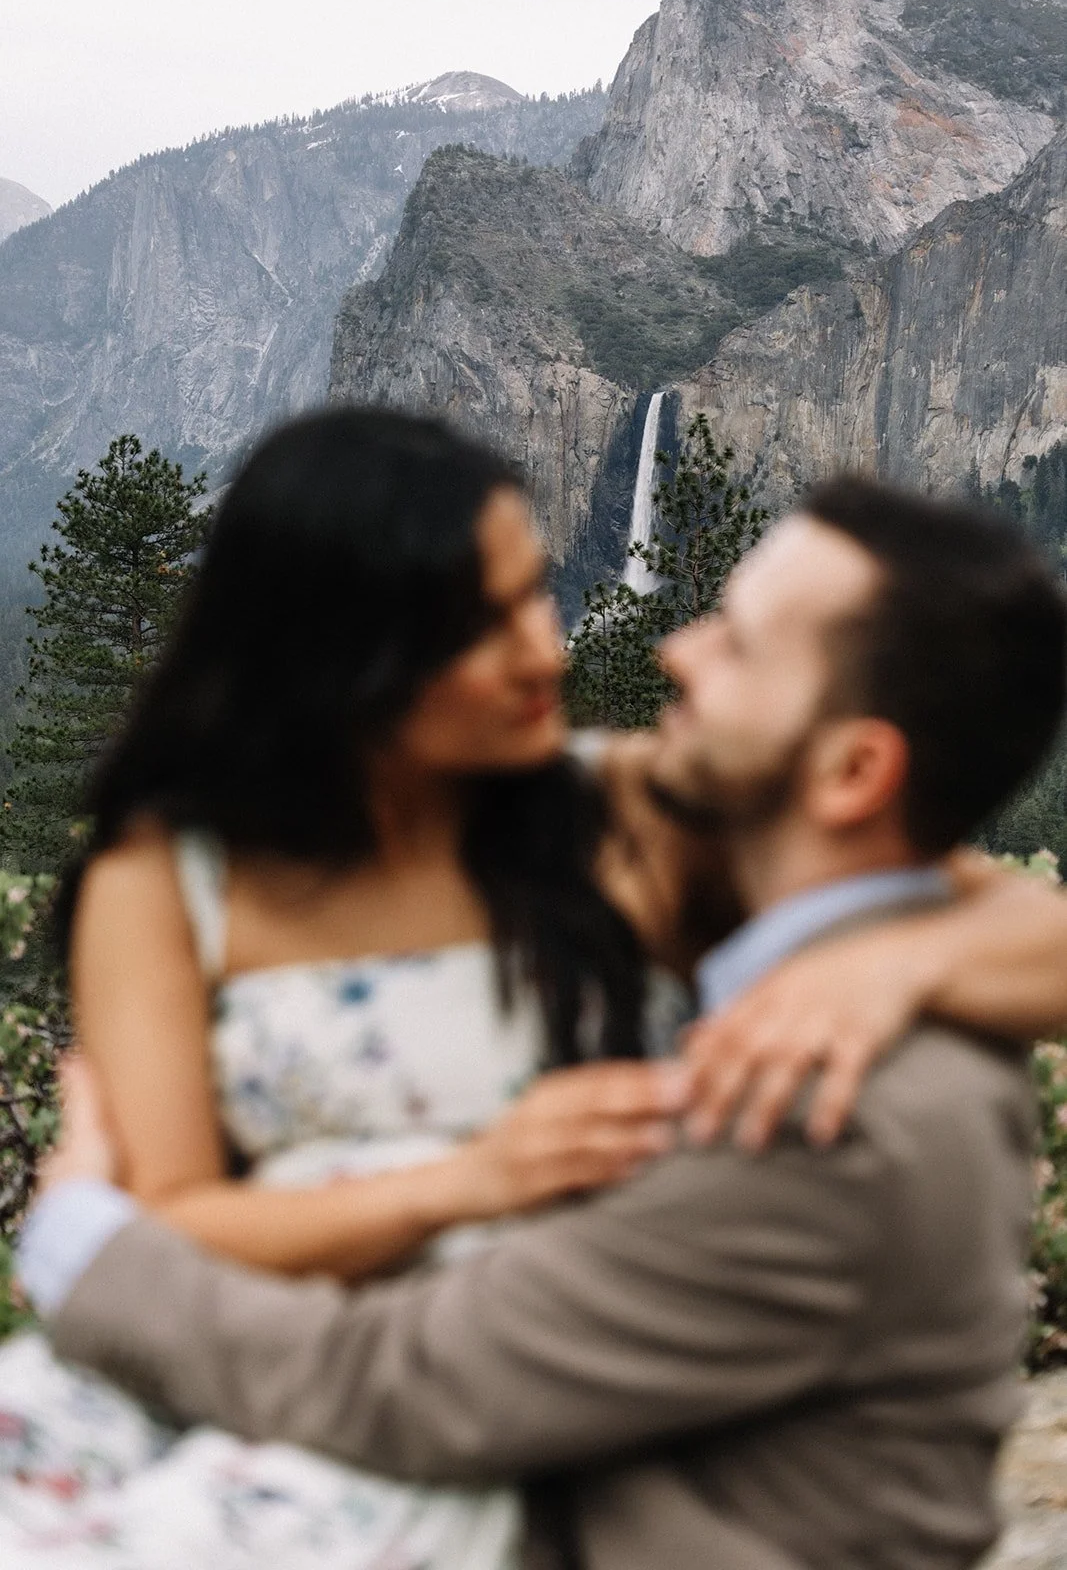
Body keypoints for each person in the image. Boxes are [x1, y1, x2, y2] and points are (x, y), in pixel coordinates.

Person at [16, 476, 1067, 1570]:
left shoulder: (655, 866)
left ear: (851, 767)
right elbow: (182, 1216)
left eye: (735, 643)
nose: (579, 650)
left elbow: (420, 1384)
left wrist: (903, 958)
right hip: (342, 1370)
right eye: (496, 614)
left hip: (447, 1415)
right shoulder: (168, 872)